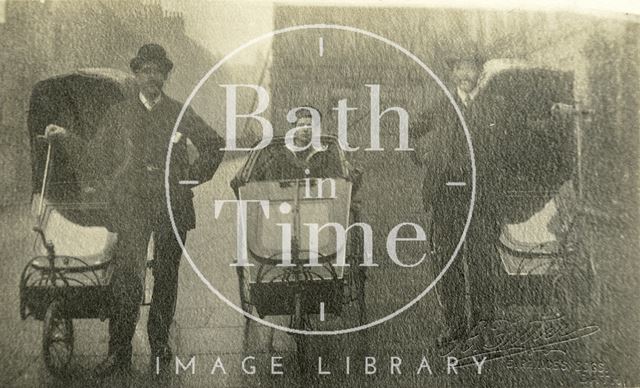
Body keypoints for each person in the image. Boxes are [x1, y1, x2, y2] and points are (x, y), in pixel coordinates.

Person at [46, 43, 225, 376]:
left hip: (172, 205)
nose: (151, 77)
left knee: (166, 277)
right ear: (136, 74)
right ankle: (119, 351)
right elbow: (94, 156)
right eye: (145, 70)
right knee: (127, 279)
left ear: (165, 75)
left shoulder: (178, 111)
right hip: (132, 206)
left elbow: (214, 144)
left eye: (158, 71)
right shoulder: (119, 113)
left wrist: (191, 177)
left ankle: (159, 345)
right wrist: (66, 136)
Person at [412, 52, 497, 346]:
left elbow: (506, 145)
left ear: (479, 72)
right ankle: (455, 324)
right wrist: (423, 155)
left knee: (482, 262)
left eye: (470, 67)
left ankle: (484, 326)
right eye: (459, 67)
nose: (464, 73)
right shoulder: (441, 105)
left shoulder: (490, 108)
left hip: (480, 196)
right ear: (453, 73)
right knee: (447, 263)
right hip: (446, 195)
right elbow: (411, 130)